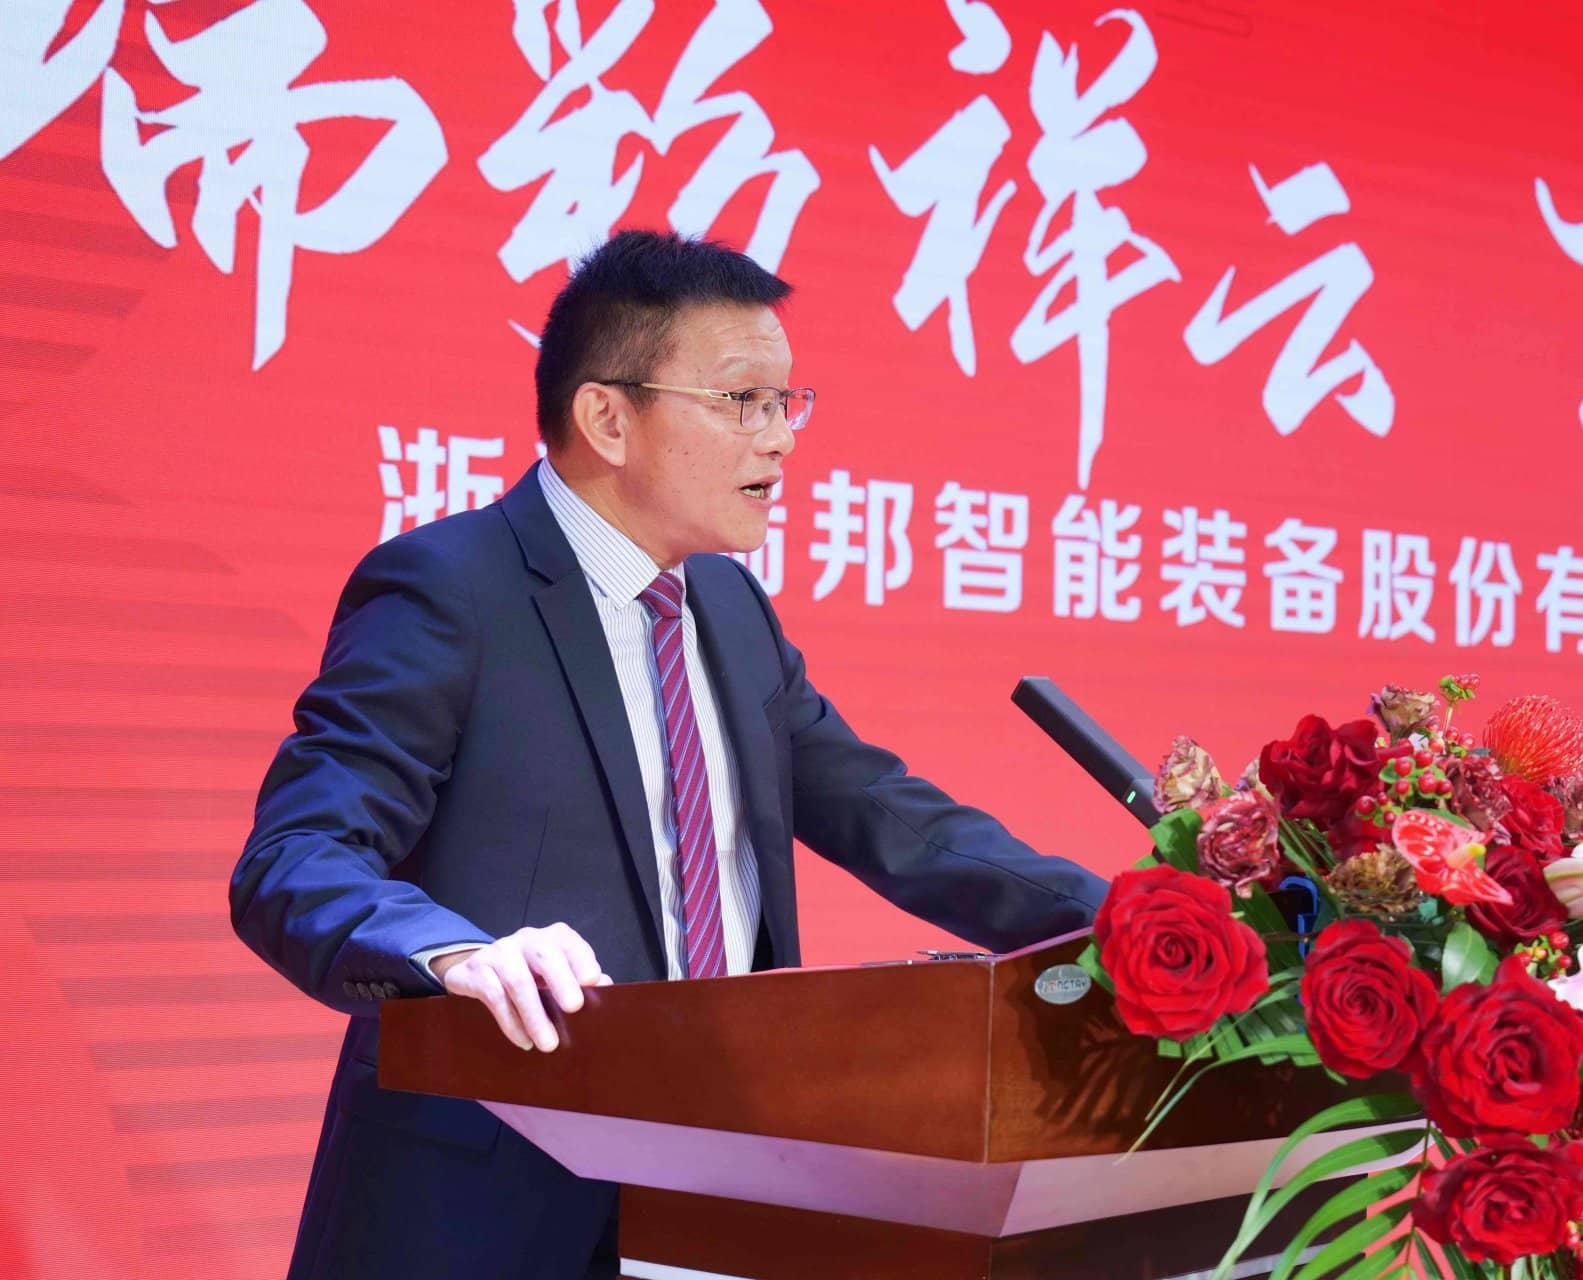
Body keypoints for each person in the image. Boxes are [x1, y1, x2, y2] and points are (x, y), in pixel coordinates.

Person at [229, 230, 1108, 1279]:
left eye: (788, 402)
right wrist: (456, 953)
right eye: (743, 401)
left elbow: (891, 818)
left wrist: (1136, 920)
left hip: (716, 1206)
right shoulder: (448, 589)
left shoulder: (729, 607)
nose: (781, 439)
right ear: (609, 417)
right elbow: (295, 859)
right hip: (481, 1211)